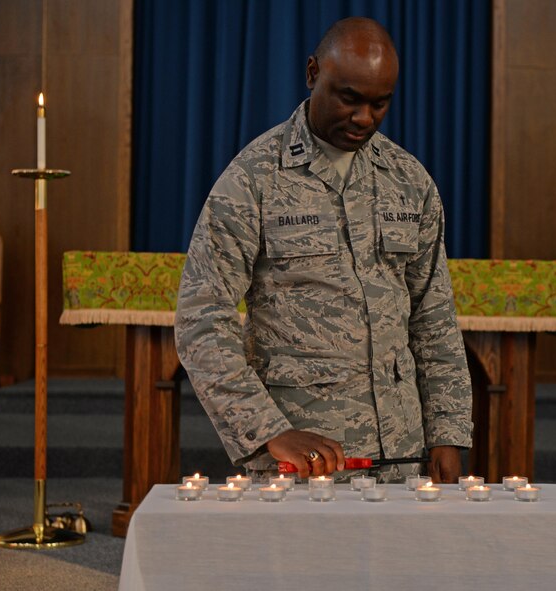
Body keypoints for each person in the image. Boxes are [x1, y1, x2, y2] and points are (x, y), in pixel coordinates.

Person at [175, 17, 472, 484]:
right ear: (313, 73)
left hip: (401, 457)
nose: (364, 118)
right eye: (349, 98)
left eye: (380, 103)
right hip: (301, 461)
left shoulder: (410, 181)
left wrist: (447, 433)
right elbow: (201, 318)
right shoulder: (254, 178)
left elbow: (433, 319)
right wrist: (270, 432)